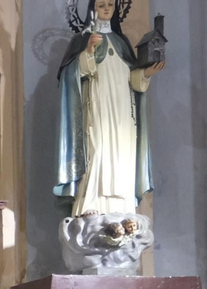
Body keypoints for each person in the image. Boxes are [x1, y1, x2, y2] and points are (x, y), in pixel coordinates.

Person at [55, 0, 165, 218]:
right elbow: (72, 74)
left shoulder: (122, 42)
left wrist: (146, 74)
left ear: (116, 10)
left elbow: (133, 80)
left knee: (121, 153)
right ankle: (91, 201)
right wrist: (87, 52)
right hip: (97, 106)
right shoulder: (83, 40)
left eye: (110, 5)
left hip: (123, 110)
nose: (106, 9)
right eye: (101, 5)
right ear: (92, 9)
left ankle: (122, 204)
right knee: (98, 149)